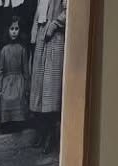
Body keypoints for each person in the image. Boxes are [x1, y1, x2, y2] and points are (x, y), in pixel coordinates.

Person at [30, 0, 67, 153]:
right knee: (39, 88)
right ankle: (42, 131)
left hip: (54, 38)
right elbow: (39, 11)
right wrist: (34, 34)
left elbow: (69, 11)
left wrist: (54, 25)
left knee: (50, 91)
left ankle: (51, 136)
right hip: (41, 35)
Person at [0, 16, 30, 130]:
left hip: (19, 81)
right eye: (12, 29)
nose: (14, 31)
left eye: (16, 29)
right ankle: (8, 124)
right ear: (7, 30)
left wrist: (26, 88)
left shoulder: (22, 49)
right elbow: (1, 71)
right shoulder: (4, 49)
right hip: (7, 81)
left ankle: (18, 123)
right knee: (6, 98)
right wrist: (0, 89)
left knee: (19, 97)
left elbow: (25, 71)